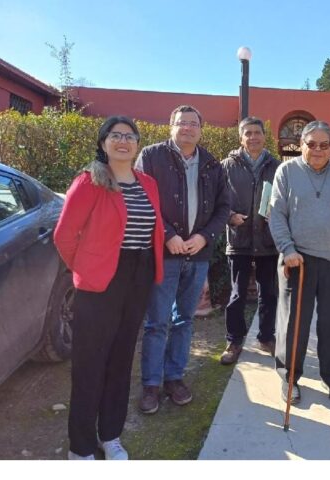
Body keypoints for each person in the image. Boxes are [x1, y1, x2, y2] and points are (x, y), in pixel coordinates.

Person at [54, 116, 164, 460]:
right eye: (115, 135)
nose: (123, 141)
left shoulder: (148, 182)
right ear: (103, 143)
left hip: (139, 275)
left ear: (137, 144)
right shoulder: (90, 182)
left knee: (120, 359)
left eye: (130, 136)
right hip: (100, 280)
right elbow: (64, 235)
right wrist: (86, 270)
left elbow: (153, 230)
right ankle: (81, 447)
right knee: (90, 363)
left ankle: (110, 435)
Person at [135, 105, 230, 414]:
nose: (187, 128)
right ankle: (151, 384)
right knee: (157, 322)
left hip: (197, 254)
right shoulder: (151, 157)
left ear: (201, 130)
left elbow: (223, 208)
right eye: (181, 123)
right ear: (171, 126)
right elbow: (141, 199)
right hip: (164, 253)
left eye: (193, 124)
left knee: (184, 320)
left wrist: (203, 237)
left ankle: (174, 378)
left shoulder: (212, 164)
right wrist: (166, 235)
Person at [269, 120, 330, 405]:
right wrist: (286, 248)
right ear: (302, 145)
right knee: (293, 323)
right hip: (297, 260)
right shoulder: (286, 171)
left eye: (325, 145)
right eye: (312, 144)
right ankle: (289, 377)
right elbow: (276, 214)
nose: (319, 150)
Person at [219, 117, 281, 364]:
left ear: (265, 136)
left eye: (257, 132)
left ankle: (266, 337)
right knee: (237, 294)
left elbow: (286, 200)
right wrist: (229, 216)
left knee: (269, 293)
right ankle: (233, 340)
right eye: (248, 133)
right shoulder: (226, 166)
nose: (253, 137)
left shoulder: (277, 167)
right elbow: (215, 201)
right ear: (241, 138)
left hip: (268, 240)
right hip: (239, 239)